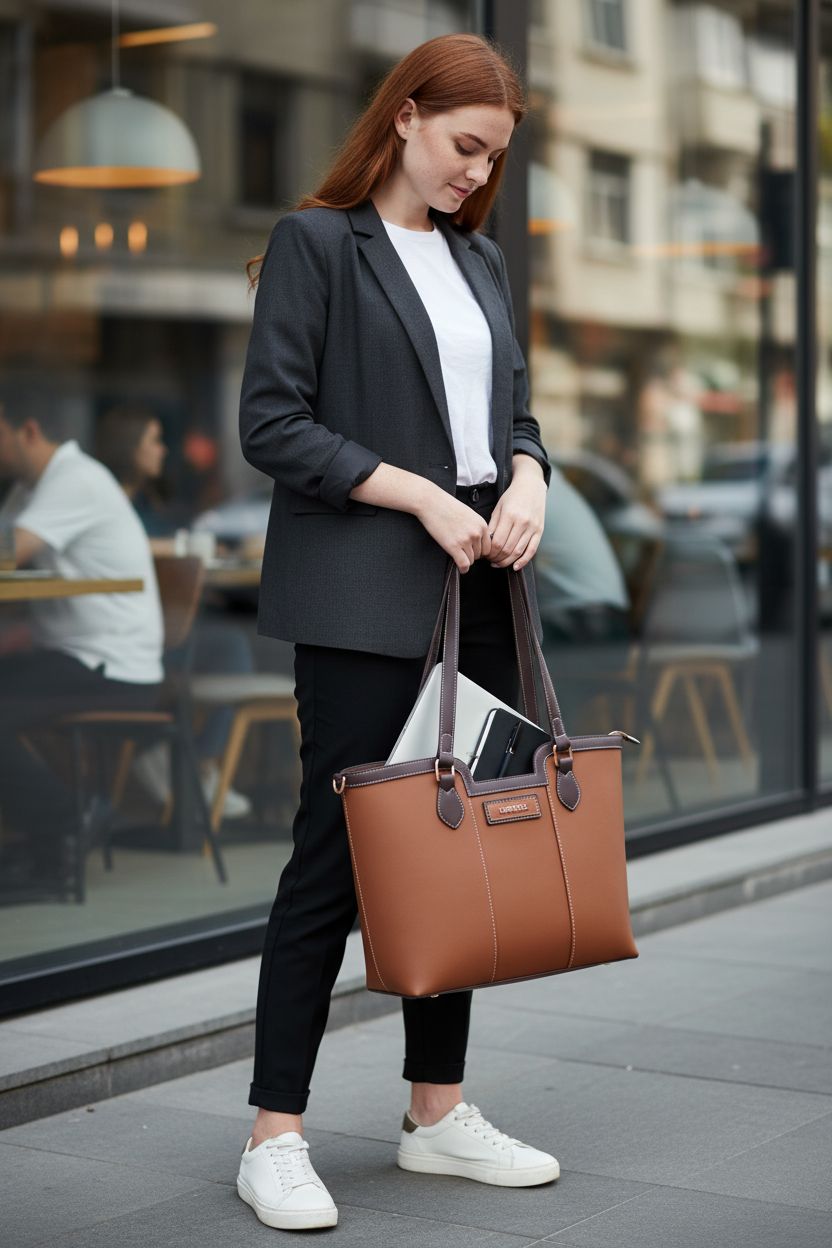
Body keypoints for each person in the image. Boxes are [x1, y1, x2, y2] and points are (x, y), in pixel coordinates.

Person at [236, 34, 557, 1231]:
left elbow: (512, 412)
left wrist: (526, 475)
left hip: (475, 586)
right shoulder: (320, 246)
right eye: (464, 146)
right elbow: (273, 425)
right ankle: (274, 1135)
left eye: (492, 158)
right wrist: (420, 493)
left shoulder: (479, 264)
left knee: (458, 850)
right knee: (337, 857)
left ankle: (436, 1114)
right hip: (368, 593)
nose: (476, 173)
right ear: (408, 115)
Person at [0, 386, 163, 888]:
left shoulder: (74, 479)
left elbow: (9, 551)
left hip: (113, 666)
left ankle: (66, 820)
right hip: (73, 655)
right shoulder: (29, 489)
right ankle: (49, 833)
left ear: (27, 431)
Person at [95, 406, 254, 819]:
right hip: (123, 635)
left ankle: (198, 763)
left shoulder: (145, 500)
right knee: (224, 645)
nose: (163, 451)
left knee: (232, 643)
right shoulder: (106, 499)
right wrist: (189, 549)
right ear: (129, 449)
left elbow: (165, 541)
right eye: (154, 441)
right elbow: (139, 547)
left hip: (156, 622)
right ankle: (175, 756)